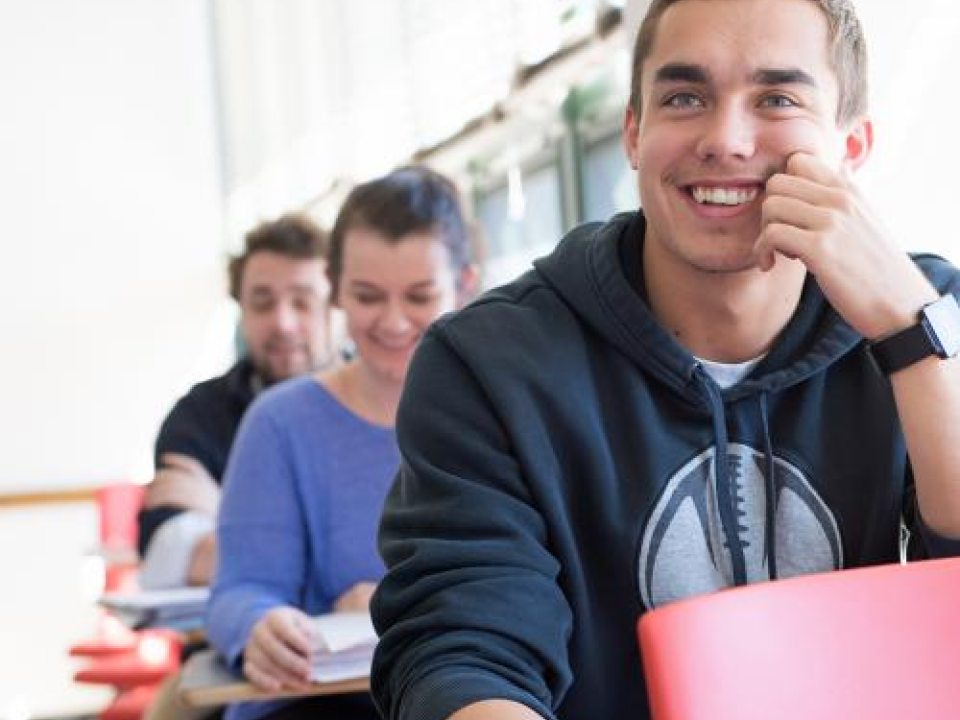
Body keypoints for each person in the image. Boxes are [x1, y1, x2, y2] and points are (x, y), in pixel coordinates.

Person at [370, 1, 960, 719]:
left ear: (853, 145)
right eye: (685, 97)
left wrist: (912, 333)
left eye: (777, 98)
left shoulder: (929, 315)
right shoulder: (487, 364)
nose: (726, 139)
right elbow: (463, 651)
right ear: (633, 132)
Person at [206, 166, 477, 720]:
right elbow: (239, 590)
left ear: (465, 284)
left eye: (421, 296)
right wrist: (260, 624)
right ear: (335, 289)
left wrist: (391, 604)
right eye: (368, 296)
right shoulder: (281, 424)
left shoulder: (505, 417)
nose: (394, 321)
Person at [138, 214, 334, 589]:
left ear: (335, 306)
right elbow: (176, 557)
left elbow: (385, 558)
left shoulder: (387, 405)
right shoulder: (197, 416)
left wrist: (225, 512)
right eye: (263, 303)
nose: (283, 322)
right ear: (240, 310)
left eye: (302, 302)